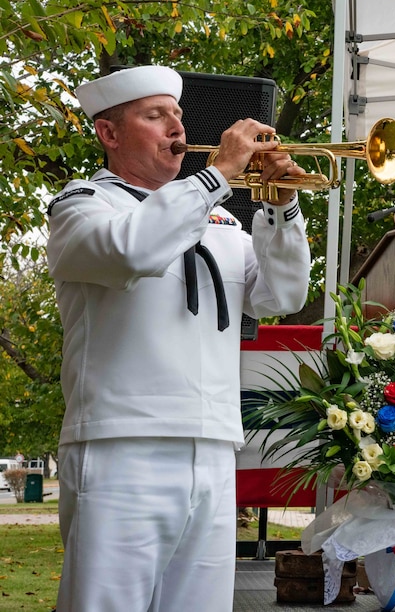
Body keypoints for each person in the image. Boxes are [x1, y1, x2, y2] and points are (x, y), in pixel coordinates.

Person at [46, 65, 311, 611]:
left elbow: (281, 297)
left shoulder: (219, 223)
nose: (177, 128)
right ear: (109, 134)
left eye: (179, 115)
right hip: (122, 444)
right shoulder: (82, 207)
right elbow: (134, 250)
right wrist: (216, 176)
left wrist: (283, 207)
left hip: (213, 443)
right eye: (155, 115)